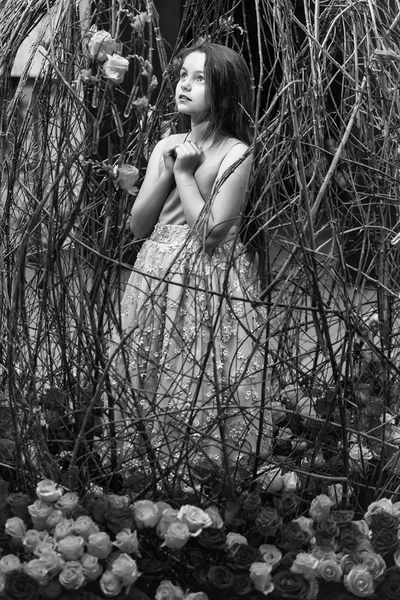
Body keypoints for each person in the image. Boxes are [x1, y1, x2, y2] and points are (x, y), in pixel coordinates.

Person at [110, 42, 272, 481]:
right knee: (149, 361)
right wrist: (165, 170)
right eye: (184, 74)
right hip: (155, 269)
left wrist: (185, 174)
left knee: (198, 368)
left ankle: (200, 473)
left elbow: (211, 234)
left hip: (208, 276)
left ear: (224, 91)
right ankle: (145, 465)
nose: (185, 84)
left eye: (200, 78)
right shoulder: (167, 143)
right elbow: (138, 226)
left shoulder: (237, 152)